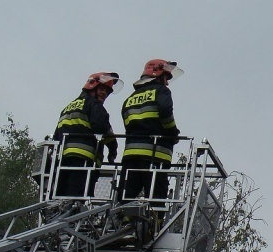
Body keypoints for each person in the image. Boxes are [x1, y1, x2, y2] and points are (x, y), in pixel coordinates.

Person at [118, 59, 182, 204]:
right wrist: (173, 133)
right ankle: (155, 225)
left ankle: (124, 221)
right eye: (166, 78)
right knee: (155, 202)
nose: (167, 83)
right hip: (155, 156)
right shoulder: (160, 91)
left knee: (125, 199)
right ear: (158, 75)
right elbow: (165, 111)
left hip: (130, 157)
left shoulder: (130, 99)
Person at [53, 72, 122, 198]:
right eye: (102, 89)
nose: (104, 94)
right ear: (92, 87)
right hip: (83, 161)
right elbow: (102, 127)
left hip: (62, 162)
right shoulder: (93, 104)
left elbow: (56, 135)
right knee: (78, 199)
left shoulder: (67, 108)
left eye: (107, 91)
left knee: (61, 198)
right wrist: (113, 148)